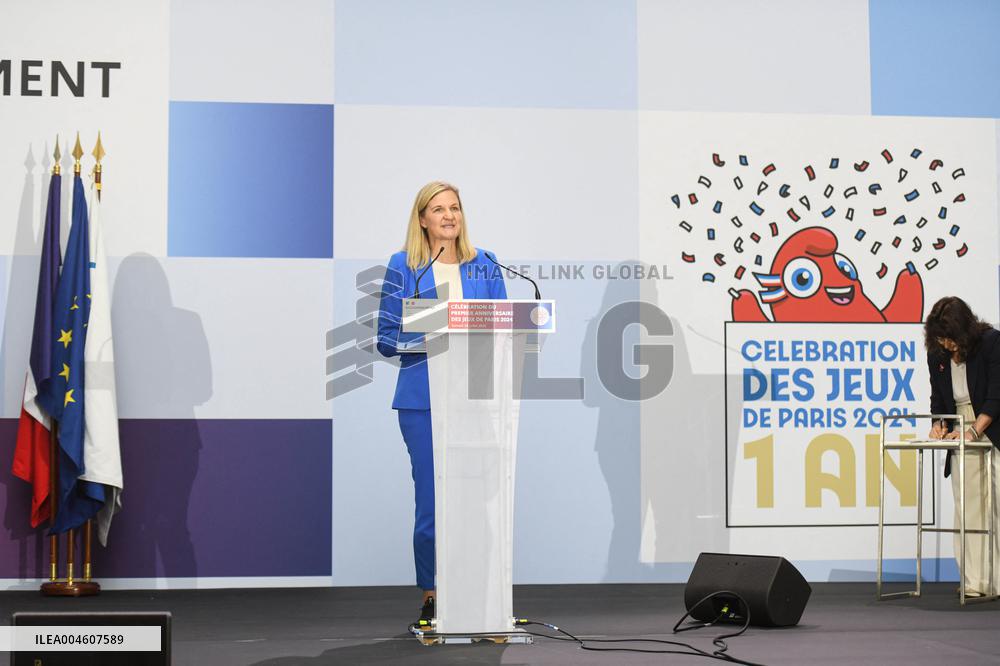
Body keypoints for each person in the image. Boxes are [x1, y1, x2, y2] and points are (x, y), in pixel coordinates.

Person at [376, 181, 507, 625]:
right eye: (438, 209)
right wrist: (443, 322)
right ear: (423, 219)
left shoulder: (485, 265)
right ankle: (433, 593)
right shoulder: (403, 265)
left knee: (480, 502)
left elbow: (505, 332)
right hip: (422, 402)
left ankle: (480, 590)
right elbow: (387, 339)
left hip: (476, 401)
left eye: (455, 208)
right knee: (433, 501)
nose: (449, 215)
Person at [925, 296, 1000, 597]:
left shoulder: (992, 342)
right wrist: (938, 423)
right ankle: (975, 582)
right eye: (940, 338)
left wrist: (974, 430)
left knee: (996, 504)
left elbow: (997, 393)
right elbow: (938, 398)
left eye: (950, 338)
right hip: (960, 427)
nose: (946, 344)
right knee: (967, 507)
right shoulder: (937, 354)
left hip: (991, 424)